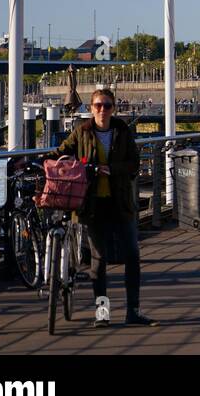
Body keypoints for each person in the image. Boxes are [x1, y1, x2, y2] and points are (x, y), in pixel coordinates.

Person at [55, 88, 155, 327]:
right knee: (98, 260)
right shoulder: (82, 132)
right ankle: (102, 313)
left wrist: (114, 169)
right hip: (92, 204)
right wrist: (40, 162)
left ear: (113, 108)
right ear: (91, 108)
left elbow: (134, 163)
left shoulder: (122, 131)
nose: (102, 110)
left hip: (120, 202)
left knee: (132, 254)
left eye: (107, 105)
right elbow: (61, 152)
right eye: (98, 105)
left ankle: (133, 310)